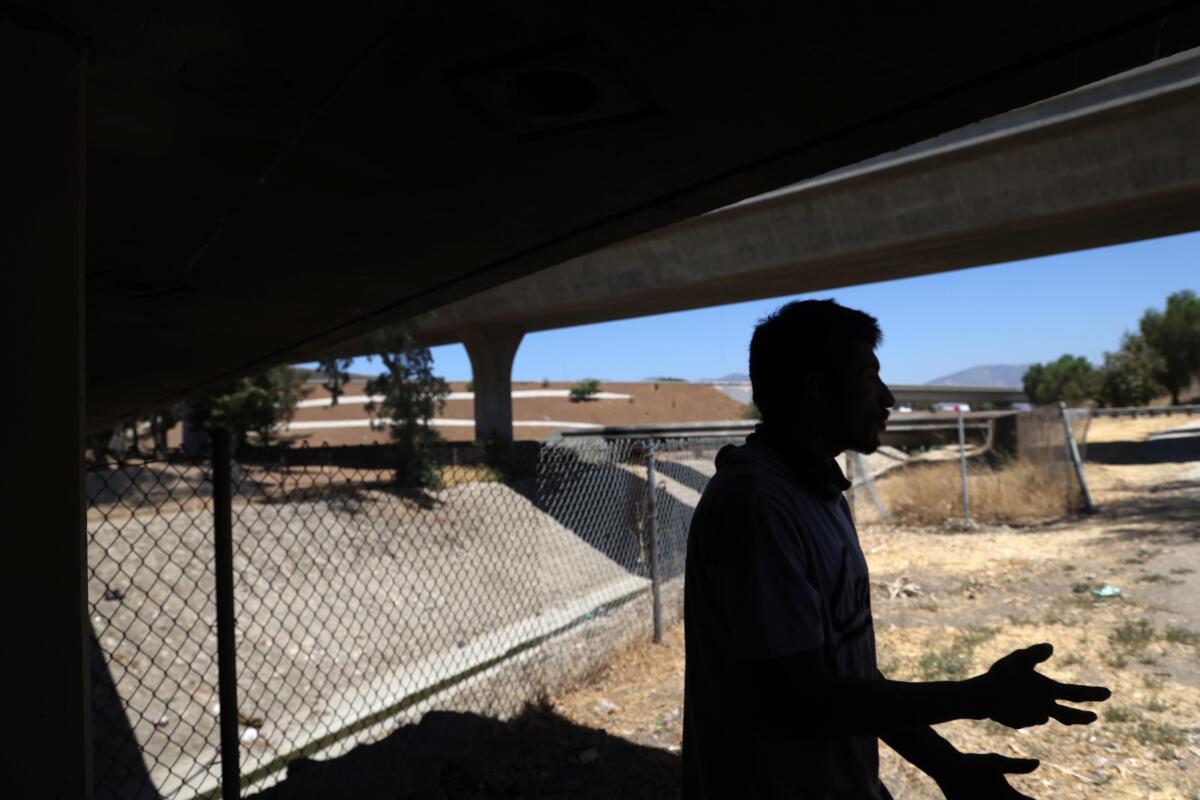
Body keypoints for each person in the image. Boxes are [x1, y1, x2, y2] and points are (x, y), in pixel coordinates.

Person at [681, 299, 1110, 799]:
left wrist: (947, 765)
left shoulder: (818, 491)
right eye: (869, 377)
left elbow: (843, 674)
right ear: (818, 387)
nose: (886, 397)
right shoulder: (756, 505)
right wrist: (980, 697)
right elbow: (800, 699)